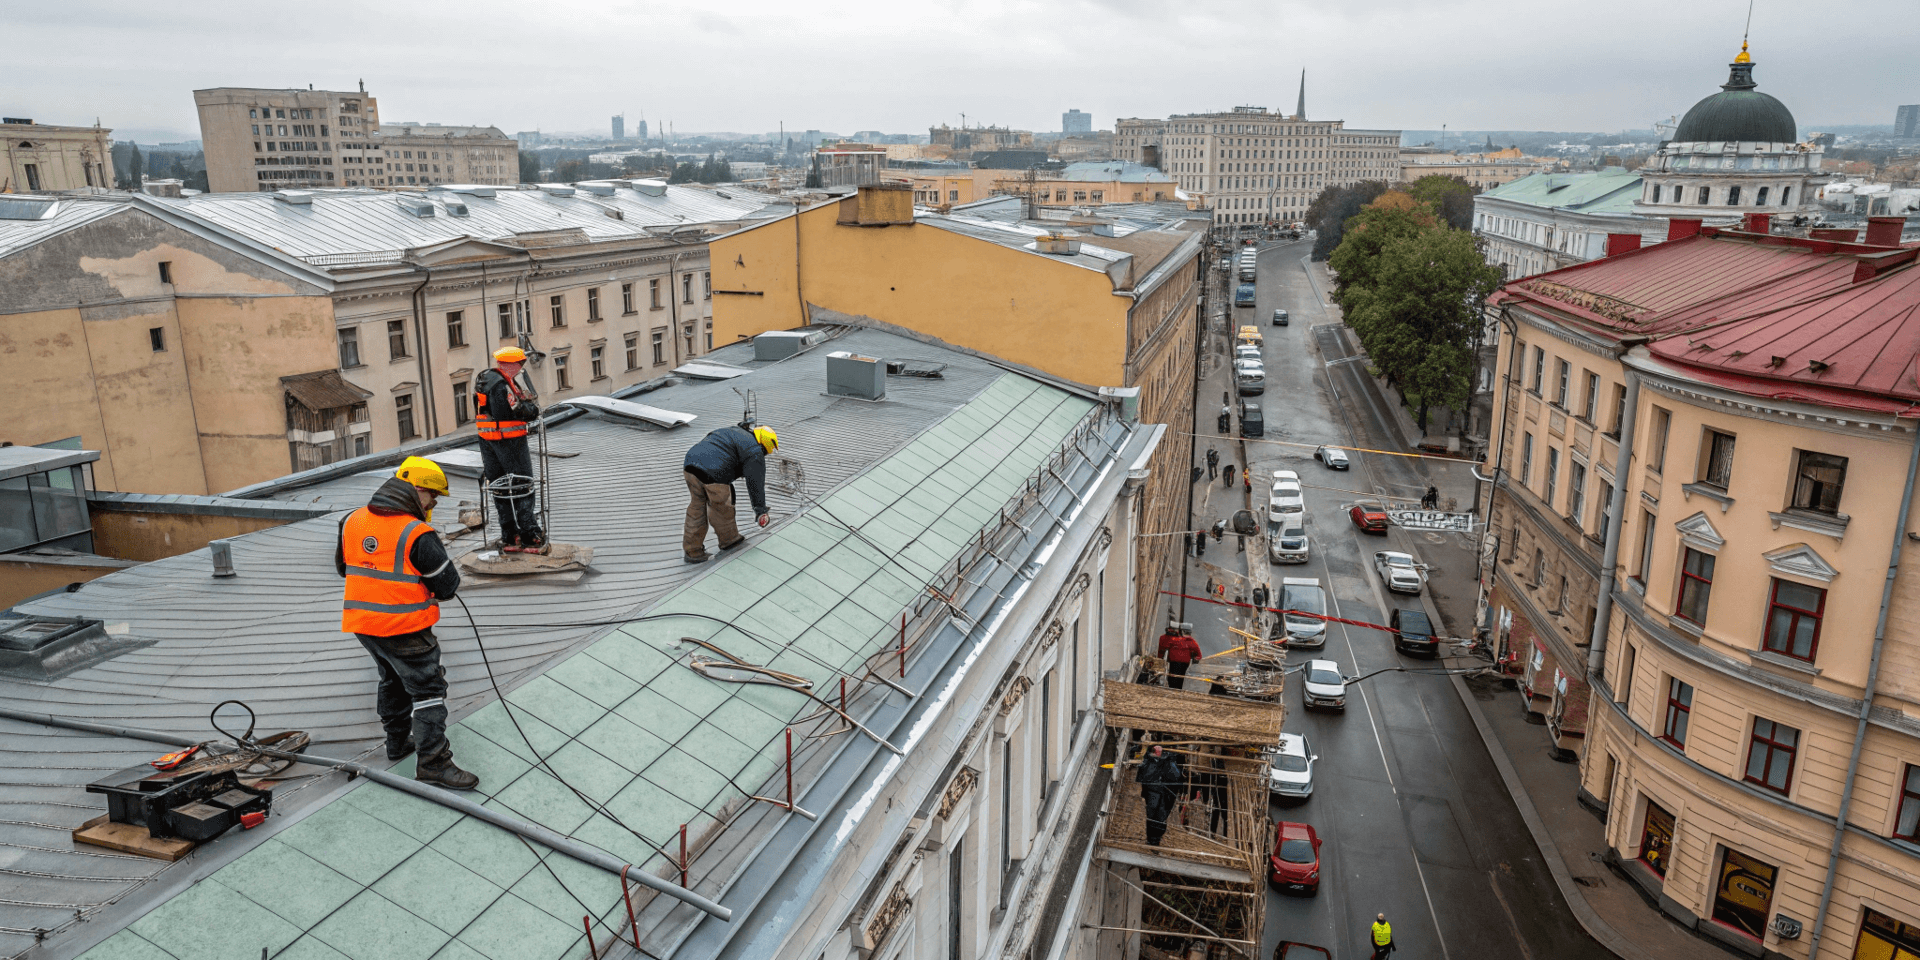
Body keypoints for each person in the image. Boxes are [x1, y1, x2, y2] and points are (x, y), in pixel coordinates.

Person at [337, 457, 477, 791]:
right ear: (417, 490)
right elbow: (447, 586)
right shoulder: (417, 533)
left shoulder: (351, 520)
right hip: (406, 629)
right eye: (433, 496)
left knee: (392, 680)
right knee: (428, 692)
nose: (434, 503)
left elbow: (346, 568)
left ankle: (397, 743)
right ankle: (434, 764)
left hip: (364, 625)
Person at [474, 347, 546, 554]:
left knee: (500, 488)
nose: (522, 367)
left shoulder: (485, 380)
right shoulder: (501, 385)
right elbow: (508, 412)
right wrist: (531, 410)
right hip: (510, 442)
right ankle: (529, 534)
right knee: (523, 485)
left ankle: (509, 535)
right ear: (512, 364)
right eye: (521, 364)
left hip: (488, 443)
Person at [682, 422, 778, 564]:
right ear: (764, 446)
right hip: (714, 472)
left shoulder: (736, 431)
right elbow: (755, 484)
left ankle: (693, 551)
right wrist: (760, 510)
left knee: (696, 508)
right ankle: (729, 540)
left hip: (690, 464)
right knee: (722, 508)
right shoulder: (754, 451)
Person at [1137, 744, 1184, 846]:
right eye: (1156, 750)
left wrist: (1168, 760)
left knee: (1160, 819)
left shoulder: (1169, 761)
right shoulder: (1149, 760)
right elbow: (1143, 776)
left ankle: (1155, 840)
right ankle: (1151, 840)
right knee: (1152, 818)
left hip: (1164, 796)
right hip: (1153, 794)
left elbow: (1176, 776)